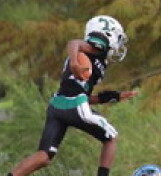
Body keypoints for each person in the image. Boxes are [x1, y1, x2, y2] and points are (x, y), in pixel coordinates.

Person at [8, 15, 138, 176]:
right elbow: (74, 43)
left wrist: (113, 97)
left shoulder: (95, 58)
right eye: (118, 38)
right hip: (75, 105)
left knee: (44, 156)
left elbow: (83, 94)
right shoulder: (98, 45)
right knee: (110, 138)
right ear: (108, 33)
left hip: (58, 106)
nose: (118, 44)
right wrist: (75, 63)